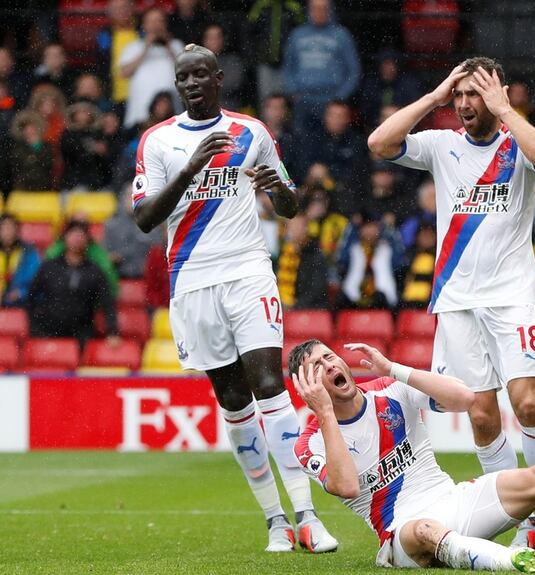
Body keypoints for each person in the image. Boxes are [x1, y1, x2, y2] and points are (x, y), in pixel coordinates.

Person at [367, 57, 535, 553]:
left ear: (497, 94)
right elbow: (379, 144)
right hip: (457, 300)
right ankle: (522, 522)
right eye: (460, 95)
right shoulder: (442, 145)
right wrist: (434, 95)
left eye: (475, 94)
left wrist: (505, 109)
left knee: (528, 404)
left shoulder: (518, 143)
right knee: (483, 415)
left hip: (511, 297)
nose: (465, 104)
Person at [131, 43, 336, 553]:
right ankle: (275, 521)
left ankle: (308, 516)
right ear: (179, 85)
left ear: (219, 78)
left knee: (270, 383)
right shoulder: (159, 142)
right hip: (193, 278)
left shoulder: (252, 132)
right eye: (184, 77)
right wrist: (188, 170)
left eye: (202, 74)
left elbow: (289, 204)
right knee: (233, 399)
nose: (193, 83)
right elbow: (144, 218)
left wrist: (277, 191)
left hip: (248, 270)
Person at [287, 339, 535, 571]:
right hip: (402, 533)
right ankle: (516, 562)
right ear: (307, 386)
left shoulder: (390, 390)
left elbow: (464, 399)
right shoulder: (310, 441)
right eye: (316, 367)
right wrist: (323, 412)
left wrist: (395, 367)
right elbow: (347, 484)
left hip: (456, 499)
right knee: (426, 531)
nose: (329, 364)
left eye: (329, 356)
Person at [28, 221, 118, 346]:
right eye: (73, 234)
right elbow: (31, 295)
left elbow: (107, 303)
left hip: (82, 334)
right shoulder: (50, 266)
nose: (77, 239)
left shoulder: (94, 270)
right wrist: (35, 327)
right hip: (49, 332)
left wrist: (112, 332)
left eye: (81, 235)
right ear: (65, 238)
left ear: (87, 240)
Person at [281, 0, 361, 133]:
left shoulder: (342, 35)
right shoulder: (297, 34)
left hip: (331, 99)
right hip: (303, 99)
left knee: (331, 143)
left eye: (323, 8)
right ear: (308, 10)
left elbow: (354, 70)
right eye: (315, 8)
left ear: (330, 10)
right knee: (301, 141)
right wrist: (293, 92)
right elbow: (287, 67)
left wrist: (340, 97)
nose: (319, 13)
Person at [118, 8, 184, 129]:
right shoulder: (133, 47)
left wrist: (168, 46)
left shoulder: (176, 45)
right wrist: (146, 47)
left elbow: (185, 70)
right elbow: (124, 73)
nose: (156, 25)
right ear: (144, 25)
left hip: (172, 115)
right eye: (151, 21)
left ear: (165, 24)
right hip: (140, 115)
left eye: (159, 21)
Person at [0, 214, 41, 307]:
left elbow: (37, 281)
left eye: (10, 227)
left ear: (17, 230)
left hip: (21, 302)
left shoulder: (29, 252)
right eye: (3, 227)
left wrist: (21, 292)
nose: (7, 231)